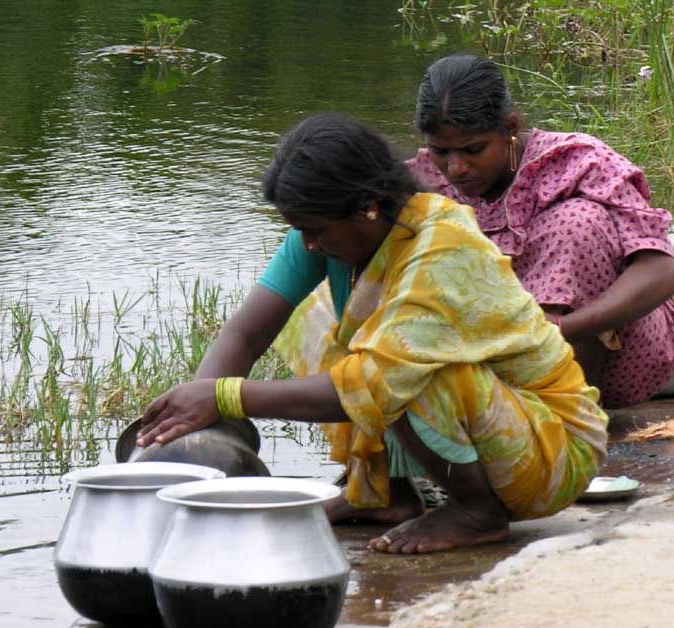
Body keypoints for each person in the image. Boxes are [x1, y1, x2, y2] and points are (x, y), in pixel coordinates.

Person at [136, 113, 609, 554]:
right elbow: (247, 332)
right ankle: (383, 493)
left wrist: (226, 397)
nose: (308, 244)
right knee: (316, 319)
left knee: (410, 369)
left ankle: (476, 511)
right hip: (499, 426)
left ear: (367, 208)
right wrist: (190, 421)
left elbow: (368, 385)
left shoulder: (441, 248)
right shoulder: (332, 226)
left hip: (552, 448)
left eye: (314, 231)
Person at [407, 53, 674, 409]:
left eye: (473, 150)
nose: (456, 167)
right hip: (493, 359)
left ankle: (569, 413)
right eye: (440, 151)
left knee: (576, 222)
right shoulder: (422, 182)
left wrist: (553, 331)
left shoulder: (580, 162)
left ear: (509, 129)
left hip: (616, 356)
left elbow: (661, 273)